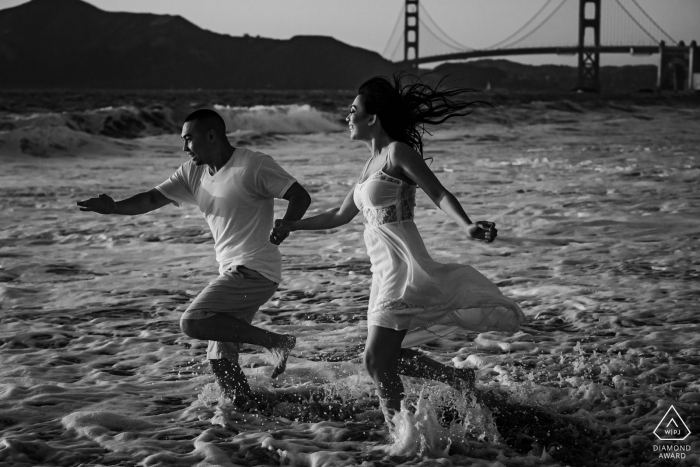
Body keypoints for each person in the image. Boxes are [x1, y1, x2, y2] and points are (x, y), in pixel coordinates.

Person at [272, 75, 525, 429]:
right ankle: (456, 382)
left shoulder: (397, 153)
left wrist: (466, 225)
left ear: (373, 117)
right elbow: (340, 215)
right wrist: (291, 225)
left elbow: (439, 194)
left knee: (375, 360)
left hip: (401, 265)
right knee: (387, 357)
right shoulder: (367, 166)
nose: (348, 117)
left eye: (353, 110)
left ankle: (403, 436)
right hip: (382, 270)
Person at [77, 109, 311, 405]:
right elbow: (152, 198)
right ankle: (245, 411)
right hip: (233, 271)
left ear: (211, 136)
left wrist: (287, 225)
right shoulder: (193, 172)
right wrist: (114, 208)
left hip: (255, 269)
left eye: (189, 139)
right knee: (220, 358)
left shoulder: (253, 165)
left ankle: (277, 343)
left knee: (193, 321)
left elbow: (299, 195)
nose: (185, 147)